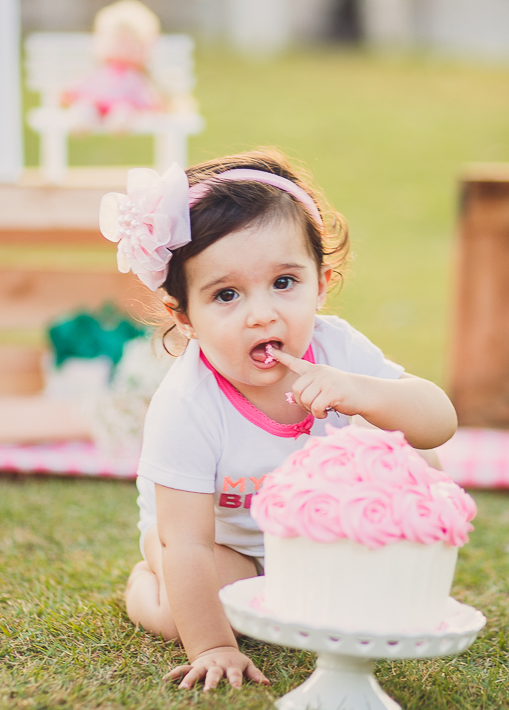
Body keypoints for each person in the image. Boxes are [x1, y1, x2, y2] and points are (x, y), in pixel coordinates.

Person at [102, 148, 457, 691]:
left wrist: (361, 392)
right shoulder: (188, 406)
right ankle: (144, 587)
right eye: (226, 295)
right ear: (184, 316)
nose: (262, 312)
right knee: (187, 609)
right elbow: (189, 544)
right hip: (224, 548)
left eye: (284, 283)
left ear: (322, 280)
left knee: (415, 451)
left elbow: (439, 423)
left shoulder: (337, 348)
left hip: (318, 542)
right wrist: (215, 646)